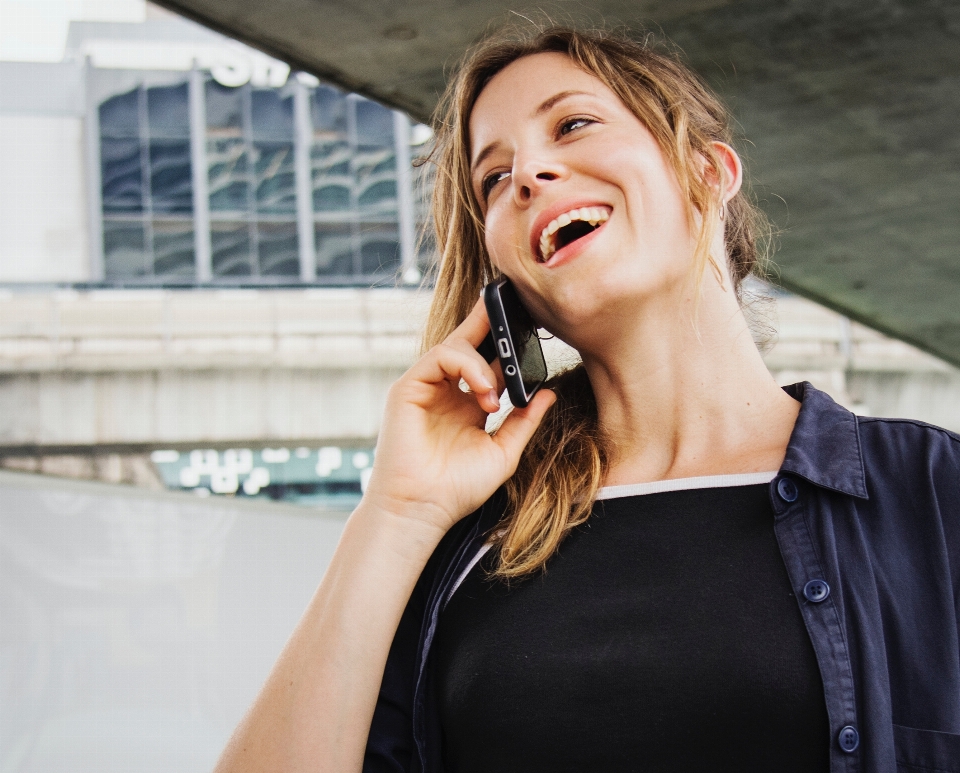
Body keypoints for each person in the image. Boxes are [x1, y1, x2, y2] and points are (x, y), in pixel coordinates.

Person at [214, 26, 960, 773]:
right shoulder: (469, 549)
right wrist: (397, 512)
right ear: (507, 283)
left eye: (572, 125)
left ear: (708, 169)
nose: (529, 174)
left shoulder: (930, 490)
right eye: (493, 180)